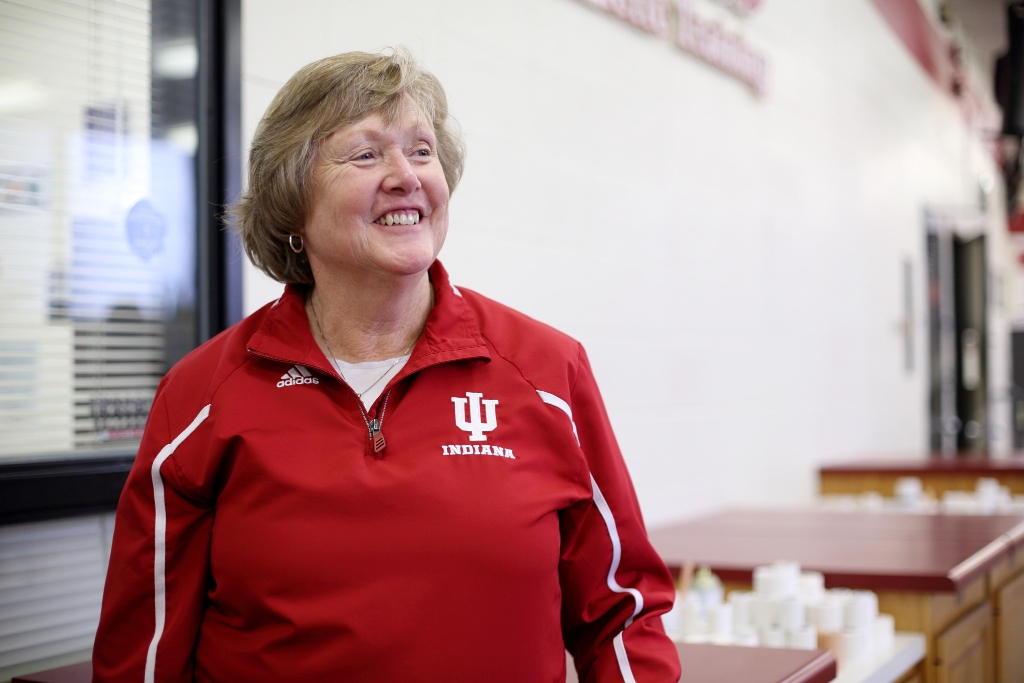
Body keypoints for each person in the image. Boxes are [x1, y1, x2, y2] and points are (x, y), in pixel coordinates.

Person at [92, 49, 681, 683]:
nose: (407, 176)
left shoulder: (545, 371)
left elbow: (624, 613)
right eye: (366, 154)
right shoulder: (204, 393)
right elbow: (143, 651)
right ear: (292, 204)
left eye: (422, 151)